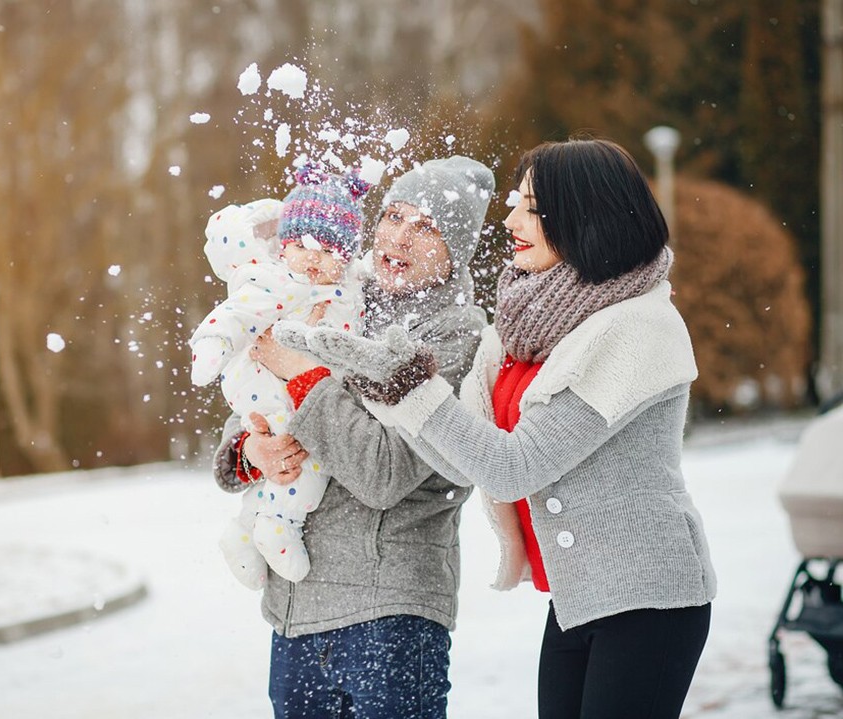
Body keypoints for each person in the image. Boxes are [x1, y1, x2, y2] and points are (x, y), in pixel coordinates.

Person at [284, 138, 717, 719]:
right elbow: (460, 460)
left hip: (648, 594)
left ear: (586, 215)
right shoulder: (524, 325)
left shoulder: (639, 329)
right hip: (576, 597)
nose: (511, 220)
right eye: (516, 202)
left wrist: (404, 383)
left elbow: (514, 466)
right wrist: (370, 379)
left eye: (533, 208)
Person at [211, 156, 495, 718]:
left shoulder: (458, 336)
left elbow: (384, 472)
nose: (401, 238)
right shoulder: (336, 293)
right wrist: (253, 451)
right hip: (296, 610)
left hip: (391, 613)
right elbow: (254, 397)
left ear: (456, 249)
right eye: (394, 217)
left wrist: (304, 373)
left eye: (427, 227)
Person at [190, 162, 370, 588]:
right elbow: (236, 313)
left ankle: (244, 529)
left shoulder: (346, 290)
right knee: (307, 458)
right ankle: (278, 523)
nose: (315, 259)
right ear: (284, 245)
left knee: (289, 453)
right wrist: (212, 345)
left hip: (298, 393)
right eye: (306, 245)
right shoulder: (275, 280)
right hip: (268, 389)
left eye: (330, 252)